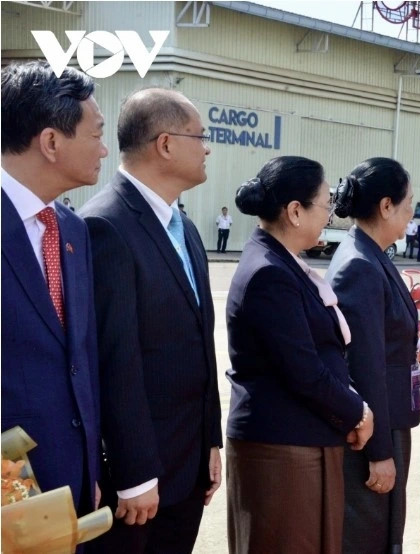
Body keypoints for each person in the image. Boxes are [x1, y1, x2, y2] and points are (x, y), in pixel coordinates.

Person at [80, 89, 222, 553]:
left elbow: (199, 346)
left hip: (188, 463)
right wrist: (135, 471)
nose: (206, 147)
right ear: (165, 144)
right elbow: (114, 361)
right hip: (141, 479)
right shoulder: (107, 225)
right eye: (199, 136)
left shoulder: (185, 227)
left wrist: (210, 441)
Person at [225, 156, 373, 553]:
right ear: (295, 211)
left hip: (303, 439)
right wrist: (357, 409)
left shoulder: (284, 264)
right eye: (324, 204)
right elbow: (303, 370)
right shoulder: (269, 273)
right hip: (281, 447)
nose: (329, 215)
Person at [1, 61, 106, 514]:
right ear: (50, 141)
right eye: (96, 134)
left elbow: (79, 359)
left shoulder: (71, 229)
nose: (104, 151)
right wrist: (14, 487)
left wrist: (89, 473)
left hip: (72, 482)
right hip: (11, 493)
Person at [326, 158, 420, 553]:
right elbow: (364, 367)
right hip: (376, 429)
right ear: (386, 206)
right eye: (409, 201)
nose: (413, 211)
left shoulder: (371, 254)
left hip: (390, 417)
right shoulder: (361, 265)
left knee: (384, 530)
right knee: (370, 535)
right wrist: (379, 452)